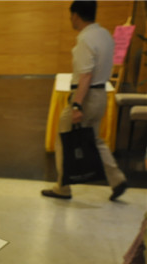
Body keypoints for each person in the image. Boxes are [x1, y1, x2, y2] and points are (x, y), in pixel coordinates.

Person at [42, 1, 127, 201]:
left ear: (76, 15)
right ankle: (117, 179)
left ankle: (63, 187)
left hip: (85, 98)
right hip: (101, 94)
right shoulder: (105, 35)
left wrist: (76, 105)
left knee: (64, 138)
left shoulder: (85, 39)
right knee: (94, 139)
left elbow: (85, 76)